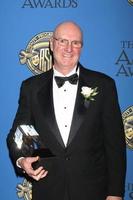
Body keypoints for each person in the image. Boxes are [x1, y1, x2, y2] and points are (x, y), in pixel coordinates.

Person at [7, 21, 126, 200]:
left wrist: (115, 193)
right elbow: (17, 134)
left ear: (81, 47)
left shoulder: (104, 85)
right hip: (48, 190)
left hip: (94, 192)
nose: (69, 48)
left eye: (75, 43)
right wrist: (21, 160)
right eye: (63, 41)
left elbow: (115, 144)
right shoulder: (31, 88)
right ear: (52, 44)